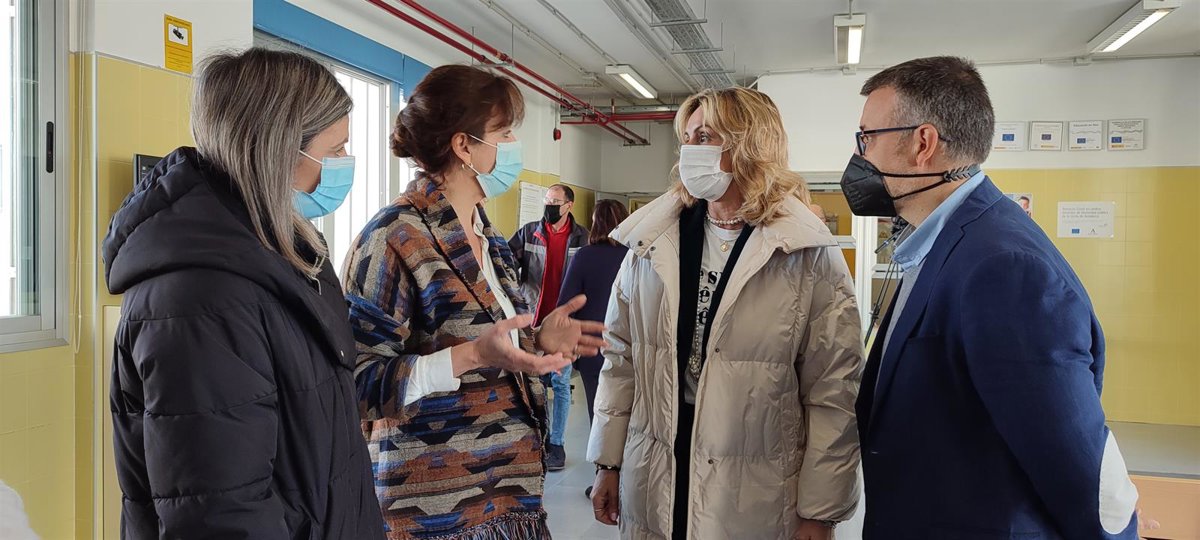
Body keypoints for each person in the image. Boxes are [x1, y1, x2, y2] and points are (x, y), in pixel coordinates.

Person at [844, 56, 1139, 538]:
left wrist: (1117, 532)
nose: (859, 156)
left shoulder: (1002, 266)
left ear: (923, 143)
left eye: (867, 138)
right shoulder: (943, 242)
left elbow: (1076, 463)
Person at [102, 48, 384, 538]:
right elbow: (222, 515)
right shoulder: (202, 301)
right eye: (336, 150)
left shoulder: (284, 255)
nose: (345, 165)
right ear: (280, 151)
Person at [343, 64, 606, 539]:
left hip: (506, 495)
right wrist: (471, 356)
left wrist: (537, 340)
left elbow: (493, 345)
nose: (514, 145)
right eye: (504, 134)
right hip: (437, 510)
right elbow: (359, 384)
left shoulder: (489, 236)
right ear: (464, 146)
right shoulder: (393, 237)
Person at [588, 87, 863, 539]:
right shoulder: (650, 242)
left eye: (705, 136)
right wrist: (607, 462)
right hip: (655, 469)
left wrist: (820, 511)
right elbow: (620, 361)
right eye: (687, 137)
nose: (690, 150)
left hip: (754, 488)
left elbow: (833, 390)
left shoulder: (807, 253)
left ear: (751, 143)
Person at [508, 184, 589, 470]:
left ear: (569, 205)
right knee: (531, 382)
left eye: (555, 201)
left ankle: (557, 444)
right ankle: (535, 440)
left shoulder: (581, 237)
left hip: (563, 324)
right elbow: (506, 262)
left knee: (560, 384)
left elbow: (586, 278)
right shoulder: (530, 232)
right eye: (547, 200)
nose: (549, 205)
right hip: (531, 320)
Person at [558, 199, 630, 425]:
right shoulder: (636, 256)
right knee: (630, 416)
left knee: (598, 414)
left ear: (595, 223)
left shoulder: (584, 256)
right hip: (630, 347)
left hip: (593, 347)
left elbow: (566, 305)